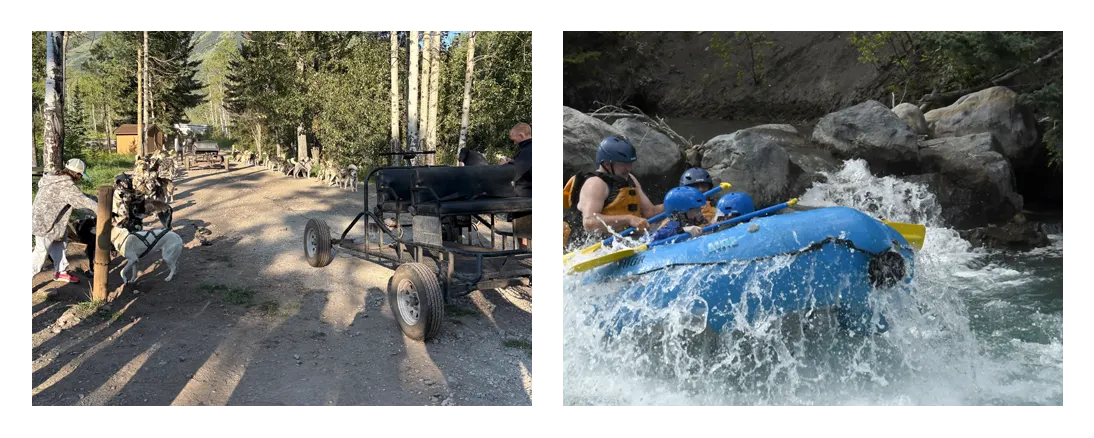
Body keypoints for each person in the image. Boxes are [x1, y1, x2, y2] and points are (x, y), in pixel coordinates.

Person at [560, 136, 663, 248]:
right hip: (587, 247)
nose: (629, 168)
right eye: (624, 163)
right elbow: (589, 223)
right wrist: (629, 219)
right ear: (607, 164)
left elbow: (650, 212)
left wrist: (676, 200)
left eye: (630, 163)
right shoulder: (595, 184)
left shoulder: (630, 179)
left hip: (623, 241)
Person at [32, 159, 99, 283]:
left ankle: (61, 272)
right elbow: (81, 201)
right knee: (40, 253)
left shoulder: (56, 179)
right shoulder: (66, 185)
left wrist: (96, 198)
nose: (80, 178)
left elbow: (79, 195)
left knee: (60, 243)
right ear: (76, 174)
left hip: (48, 220)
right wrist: (102, 208)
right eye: (80, 175)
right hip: (45, 223)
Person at [645, 186, 710, 242]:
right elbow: (648, 239)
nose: (699, 214)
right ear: (680, 213)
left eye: (699, 209)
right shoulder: (671, 227)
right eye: (695, 210)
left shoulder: (699, 222)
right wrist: (682, 230)